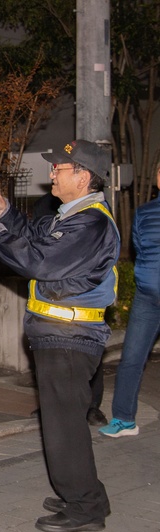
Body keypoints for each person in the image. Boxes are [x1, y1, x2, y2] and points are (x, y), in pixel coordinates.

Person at [0, 139, 118, 532]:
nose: (52, 172)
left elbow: (41, 261)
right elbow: (37, 238)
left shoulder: (92, 222)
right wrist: (5, 213)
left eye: (60, 168)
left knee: (63, 426)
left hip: (70, 336)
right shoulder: (72, 215)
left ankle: (84, 507)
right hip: (61, 334)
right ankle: (87, 494)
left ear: (83, 176)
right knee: (63, 421)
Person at [31, 192, 108, 426]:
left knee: (86, 360)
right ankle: (50, 406)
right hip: (50, 306)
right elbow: (38, 244)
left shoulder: (92, 213)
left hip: (81, 303)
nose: (54, 174)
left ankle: (92, 406)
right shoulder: (44, 205)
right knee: (51, 370)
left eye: (60, 168)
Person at [99, 159, 160, 438]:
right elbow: (137, 248)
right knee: (132, 357)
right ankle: (124, 419)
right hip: (147, 298)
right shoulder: (144, 212)